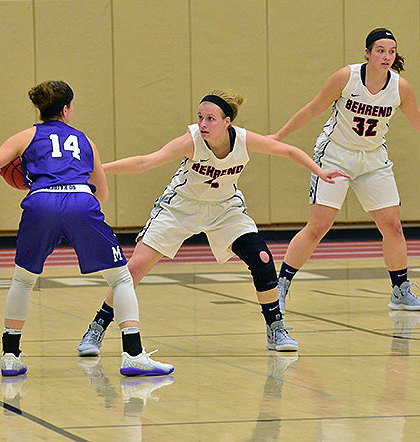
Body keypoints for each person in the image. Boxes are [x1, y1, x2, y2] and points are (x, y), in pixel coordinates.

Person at [76, 90, 349, 356]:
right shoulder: (191, 141)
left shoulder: (243, 140)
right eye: (200, 117)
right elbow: (146, 162)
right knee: (133, 270)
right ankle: (97, 327)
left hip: (224, 209)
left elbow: (288, 151)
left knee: (262, 258)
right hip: (180, 208)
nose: (203, 124)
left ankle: (275, 328)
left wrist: (320, 171)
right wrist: (100, 170)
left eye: (210, 119)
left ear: (227, 122)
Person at [0, 80, 174, 377]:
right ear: (66, 109)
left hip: (41, 202)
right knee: (120, 279)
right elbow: (102, 196)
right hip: (81, 199)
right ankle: (133, 353)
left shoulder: (26, 136)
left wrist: (13, 171)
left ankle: (10, 356)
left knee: (23, 280)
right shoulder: (84, 140)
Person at [269, 28, 420, 313]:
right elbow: (312, 108)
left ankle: (400, 291)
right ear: (367, 52)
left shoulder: (400, 87)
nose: (386, 56)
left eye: (391, 51)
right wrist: (278, 137)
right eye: (380, 50)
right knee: (318, 227)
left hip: (373, 158)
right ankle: (279, 287)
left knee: (393, 226)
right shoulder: (346, 77)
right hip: (336, 154)